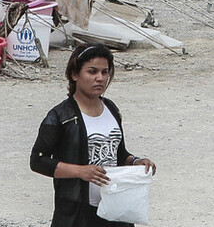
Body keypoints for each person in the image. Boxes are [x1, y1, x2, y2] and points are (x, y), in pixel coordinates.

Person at [30, 45, 157, 227]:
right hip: (77, 212)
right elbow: (37, 161)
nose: (100, 78)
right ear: (74, 74)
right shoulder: (60, 117)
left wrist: (135, 162)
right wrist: (80, 172)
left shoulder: (111, 109)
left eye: (105, 72)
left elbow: (118, 153)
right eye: (92, 71)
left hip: (115, 207)